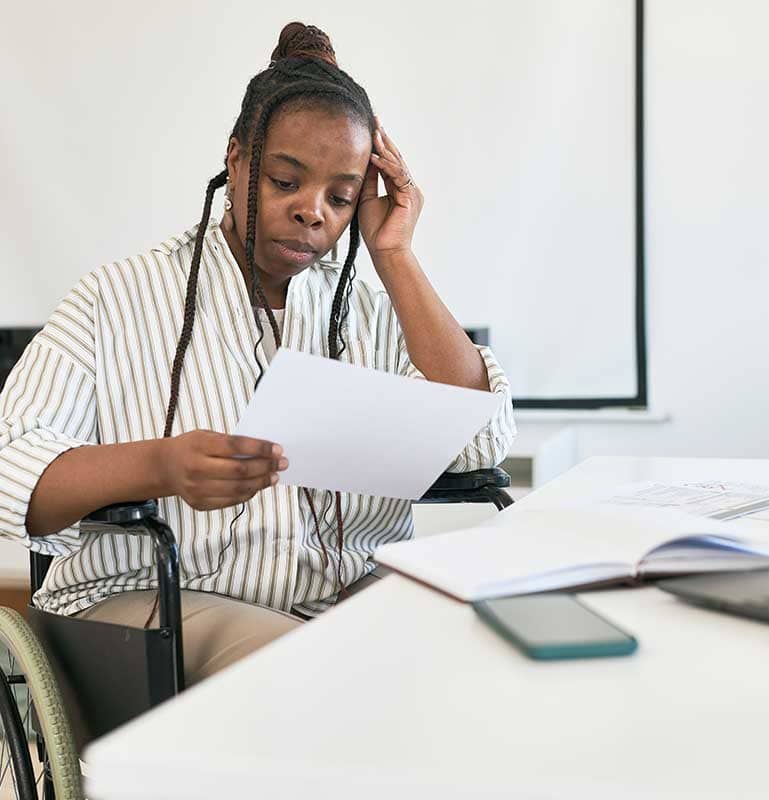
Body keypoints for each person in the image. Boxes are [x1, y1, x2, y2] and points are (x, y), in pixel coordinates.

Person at [0, 22, 515, 685]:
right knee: (309, 670)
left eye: (340, 195)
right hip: (143, 609)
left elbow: (482, 442)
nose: (312, 212)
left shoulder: (374, 309)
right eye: (284, 181)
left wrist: (395, 255)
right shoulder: (116, 296)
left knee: (470, 648)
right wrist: (159, 465)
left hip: (333, 606)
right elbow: (10, 470)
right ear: (237, 159)